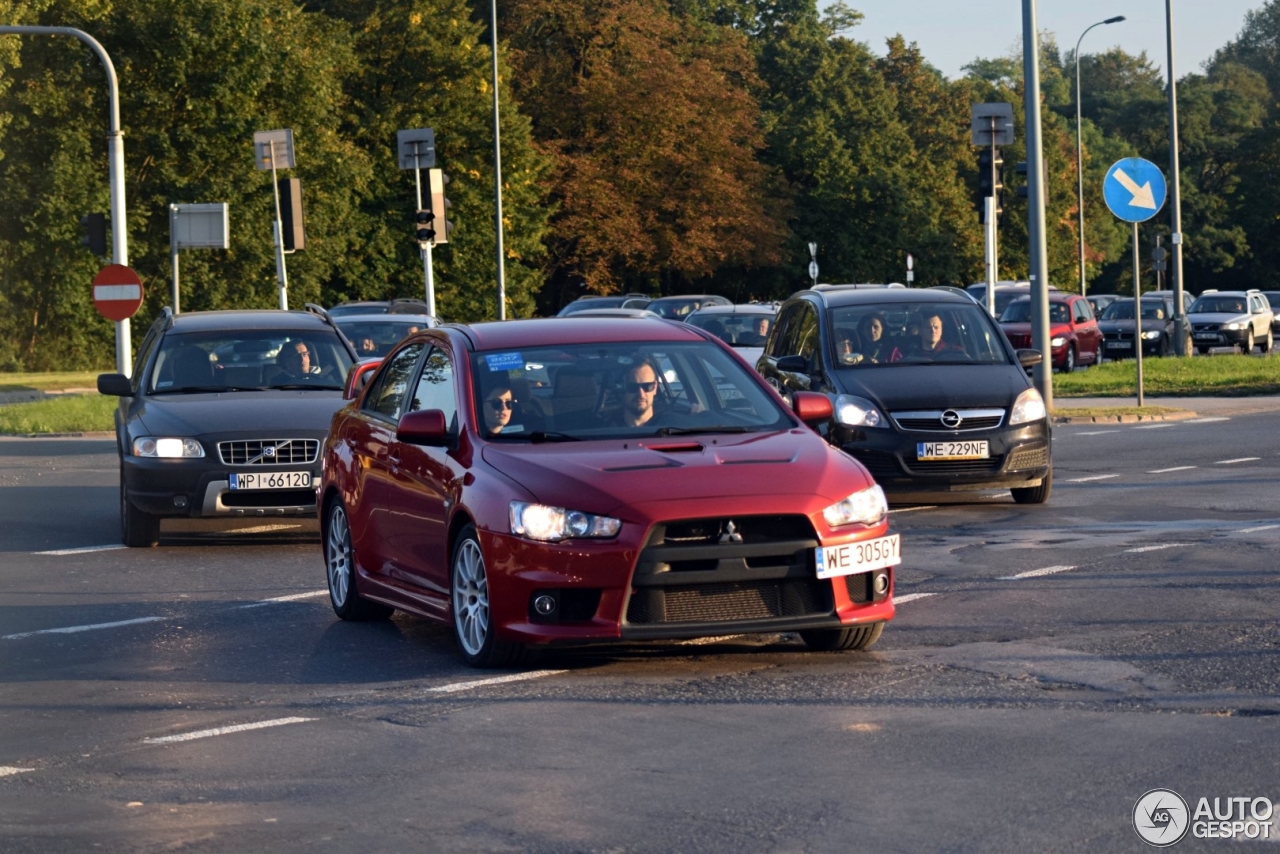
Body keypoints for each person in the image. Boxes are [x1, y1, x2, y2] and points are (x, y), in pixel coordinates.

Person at [610, 359, 663, 428]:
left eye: (647, 386)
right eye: (633, 387)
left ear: (655, 387)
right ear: (622, 389)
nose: (641, 394)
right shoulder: (603, 432)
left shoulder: (673, 428)